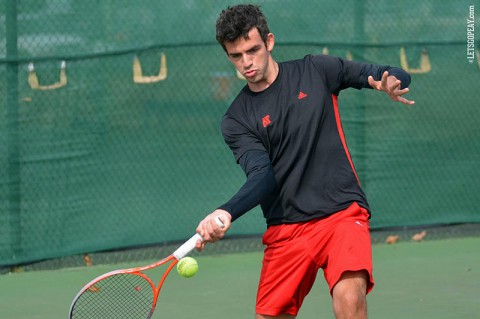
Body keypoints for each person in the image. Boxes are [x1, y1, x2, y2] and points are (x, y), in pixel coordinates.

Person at [195, 4, 414, 319]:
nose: (246, 62)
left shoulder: (316, 70)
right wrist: (226, 211)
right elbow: (262, 176)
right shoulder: (237, 120)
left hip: (342, 213)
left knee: (349, 299)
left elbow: (385, 72)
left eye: (252, 50)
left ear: (269, 42)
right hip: (288, 229)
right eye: (236, 55)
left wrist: (391, 80)